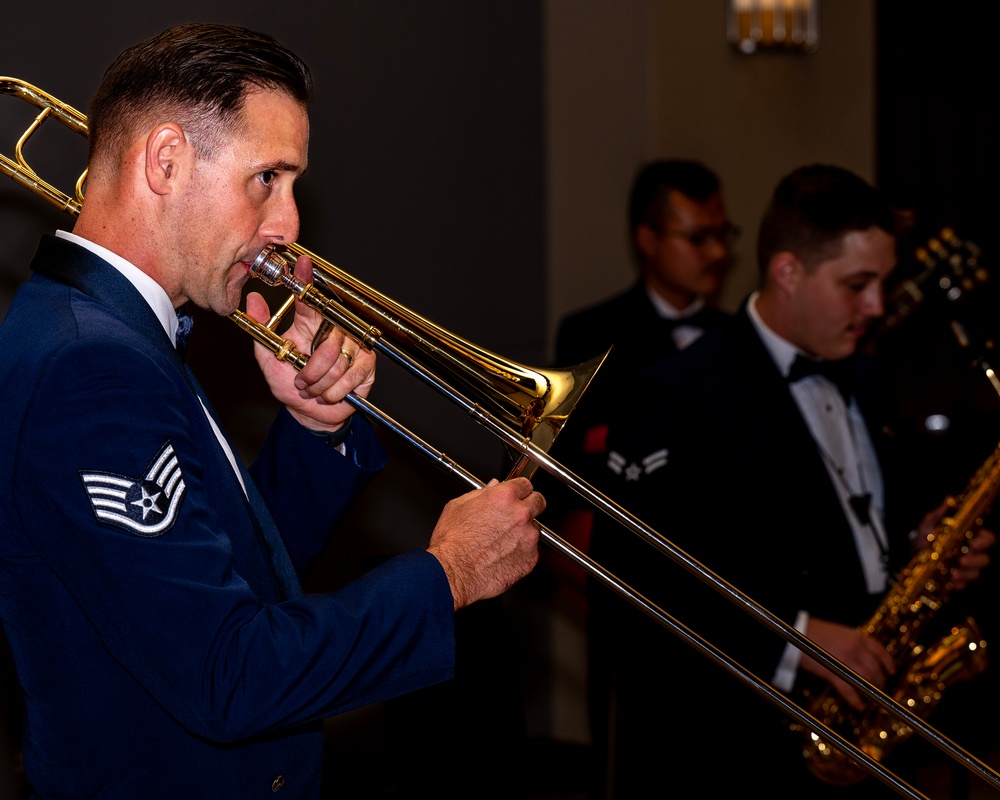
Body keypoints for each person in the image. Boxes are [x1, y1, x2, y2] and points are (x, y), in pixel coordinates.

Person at [0, 23, 544, 799]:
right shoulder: (89, 365)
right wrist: (445, 576)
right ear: (165, 162)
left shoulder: (120, 335)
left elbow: (232, 581)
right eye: (268, 178)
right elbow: (229, 675)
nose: (289, 223)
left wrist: (315, 432)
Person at [586, 164, 996, 798]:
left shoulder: (861, 375)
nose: (877, 307)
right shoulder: (677, 393)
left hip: (863, 732)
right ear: (787, 271)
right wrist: (795, 636)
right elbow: (631, 576)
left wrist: (919, 543)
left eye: (882, 284)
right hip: (735, 746)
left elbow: (847, 521)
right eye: (857, 284)